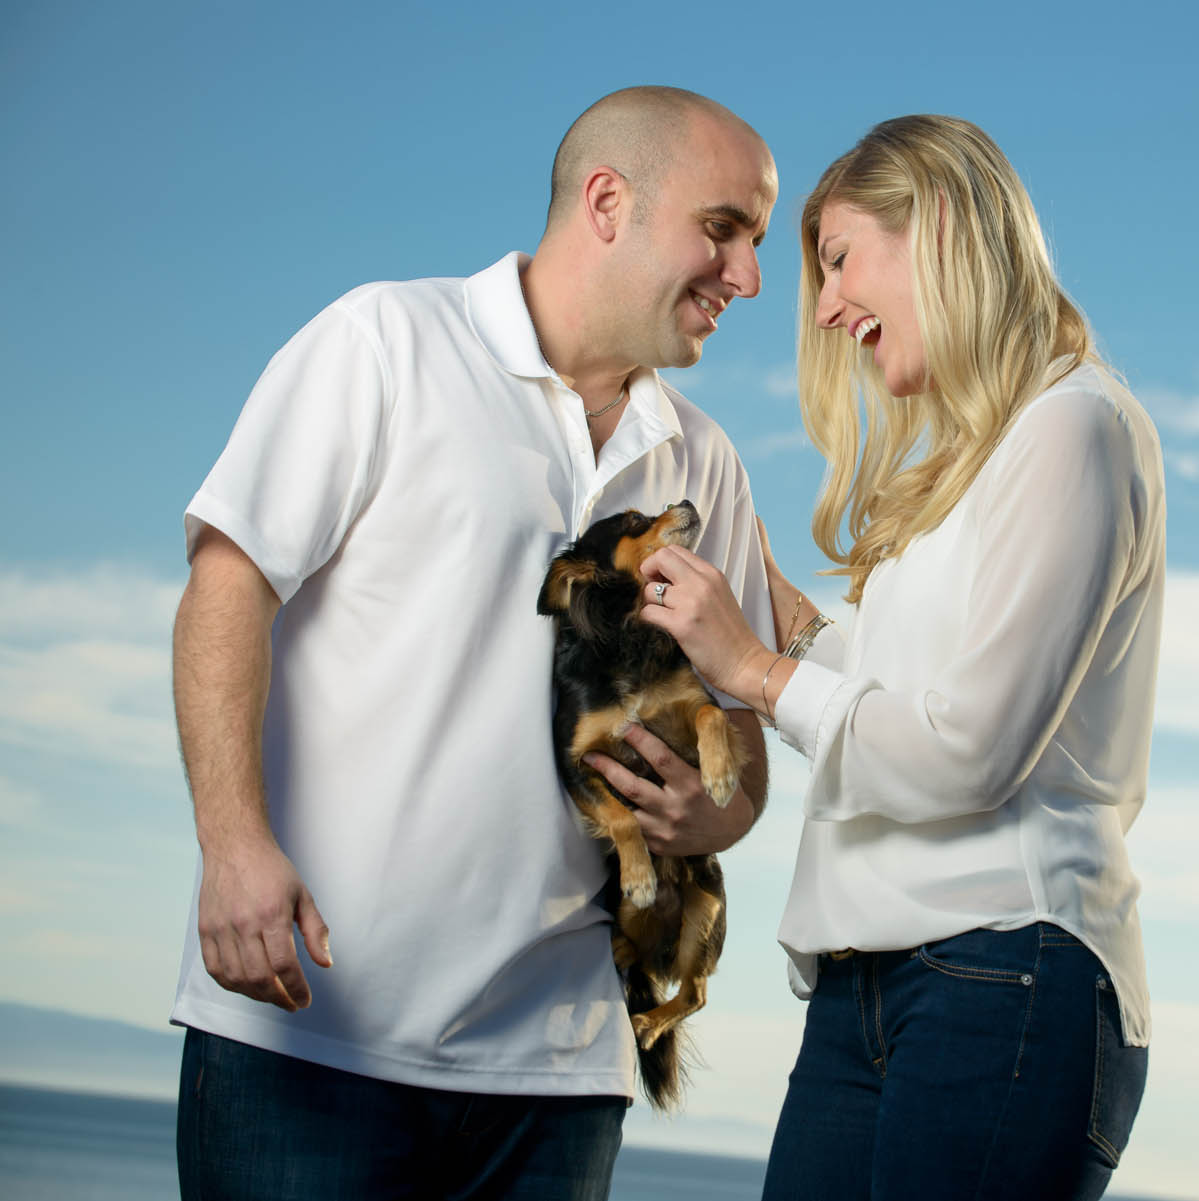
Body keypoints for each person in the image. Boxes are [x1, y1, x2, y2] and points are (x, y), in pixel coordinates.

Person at [168, 86, 778, 1200]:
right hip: (311, 1033)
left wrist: (718, 811)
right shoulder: (384, 342)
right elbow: (227, 585)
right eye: (725, 230)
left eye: (758, 244)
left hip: (560, 1081)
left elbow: (742, 751)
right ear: (608, 202)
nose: (747, 277)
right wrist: (232, 845)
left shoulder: (707, 463)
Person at [634, 115, 1165, 1201]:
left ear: (941, 228)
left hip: (1002, 973)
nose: (826, 307)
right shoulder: (980, 463)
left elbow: (966, 753)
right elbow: (888, 680)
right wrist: (759, 596)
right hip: (869, 981)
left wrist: (757, 671)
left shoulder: (1075, 430)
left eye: (838, 260)